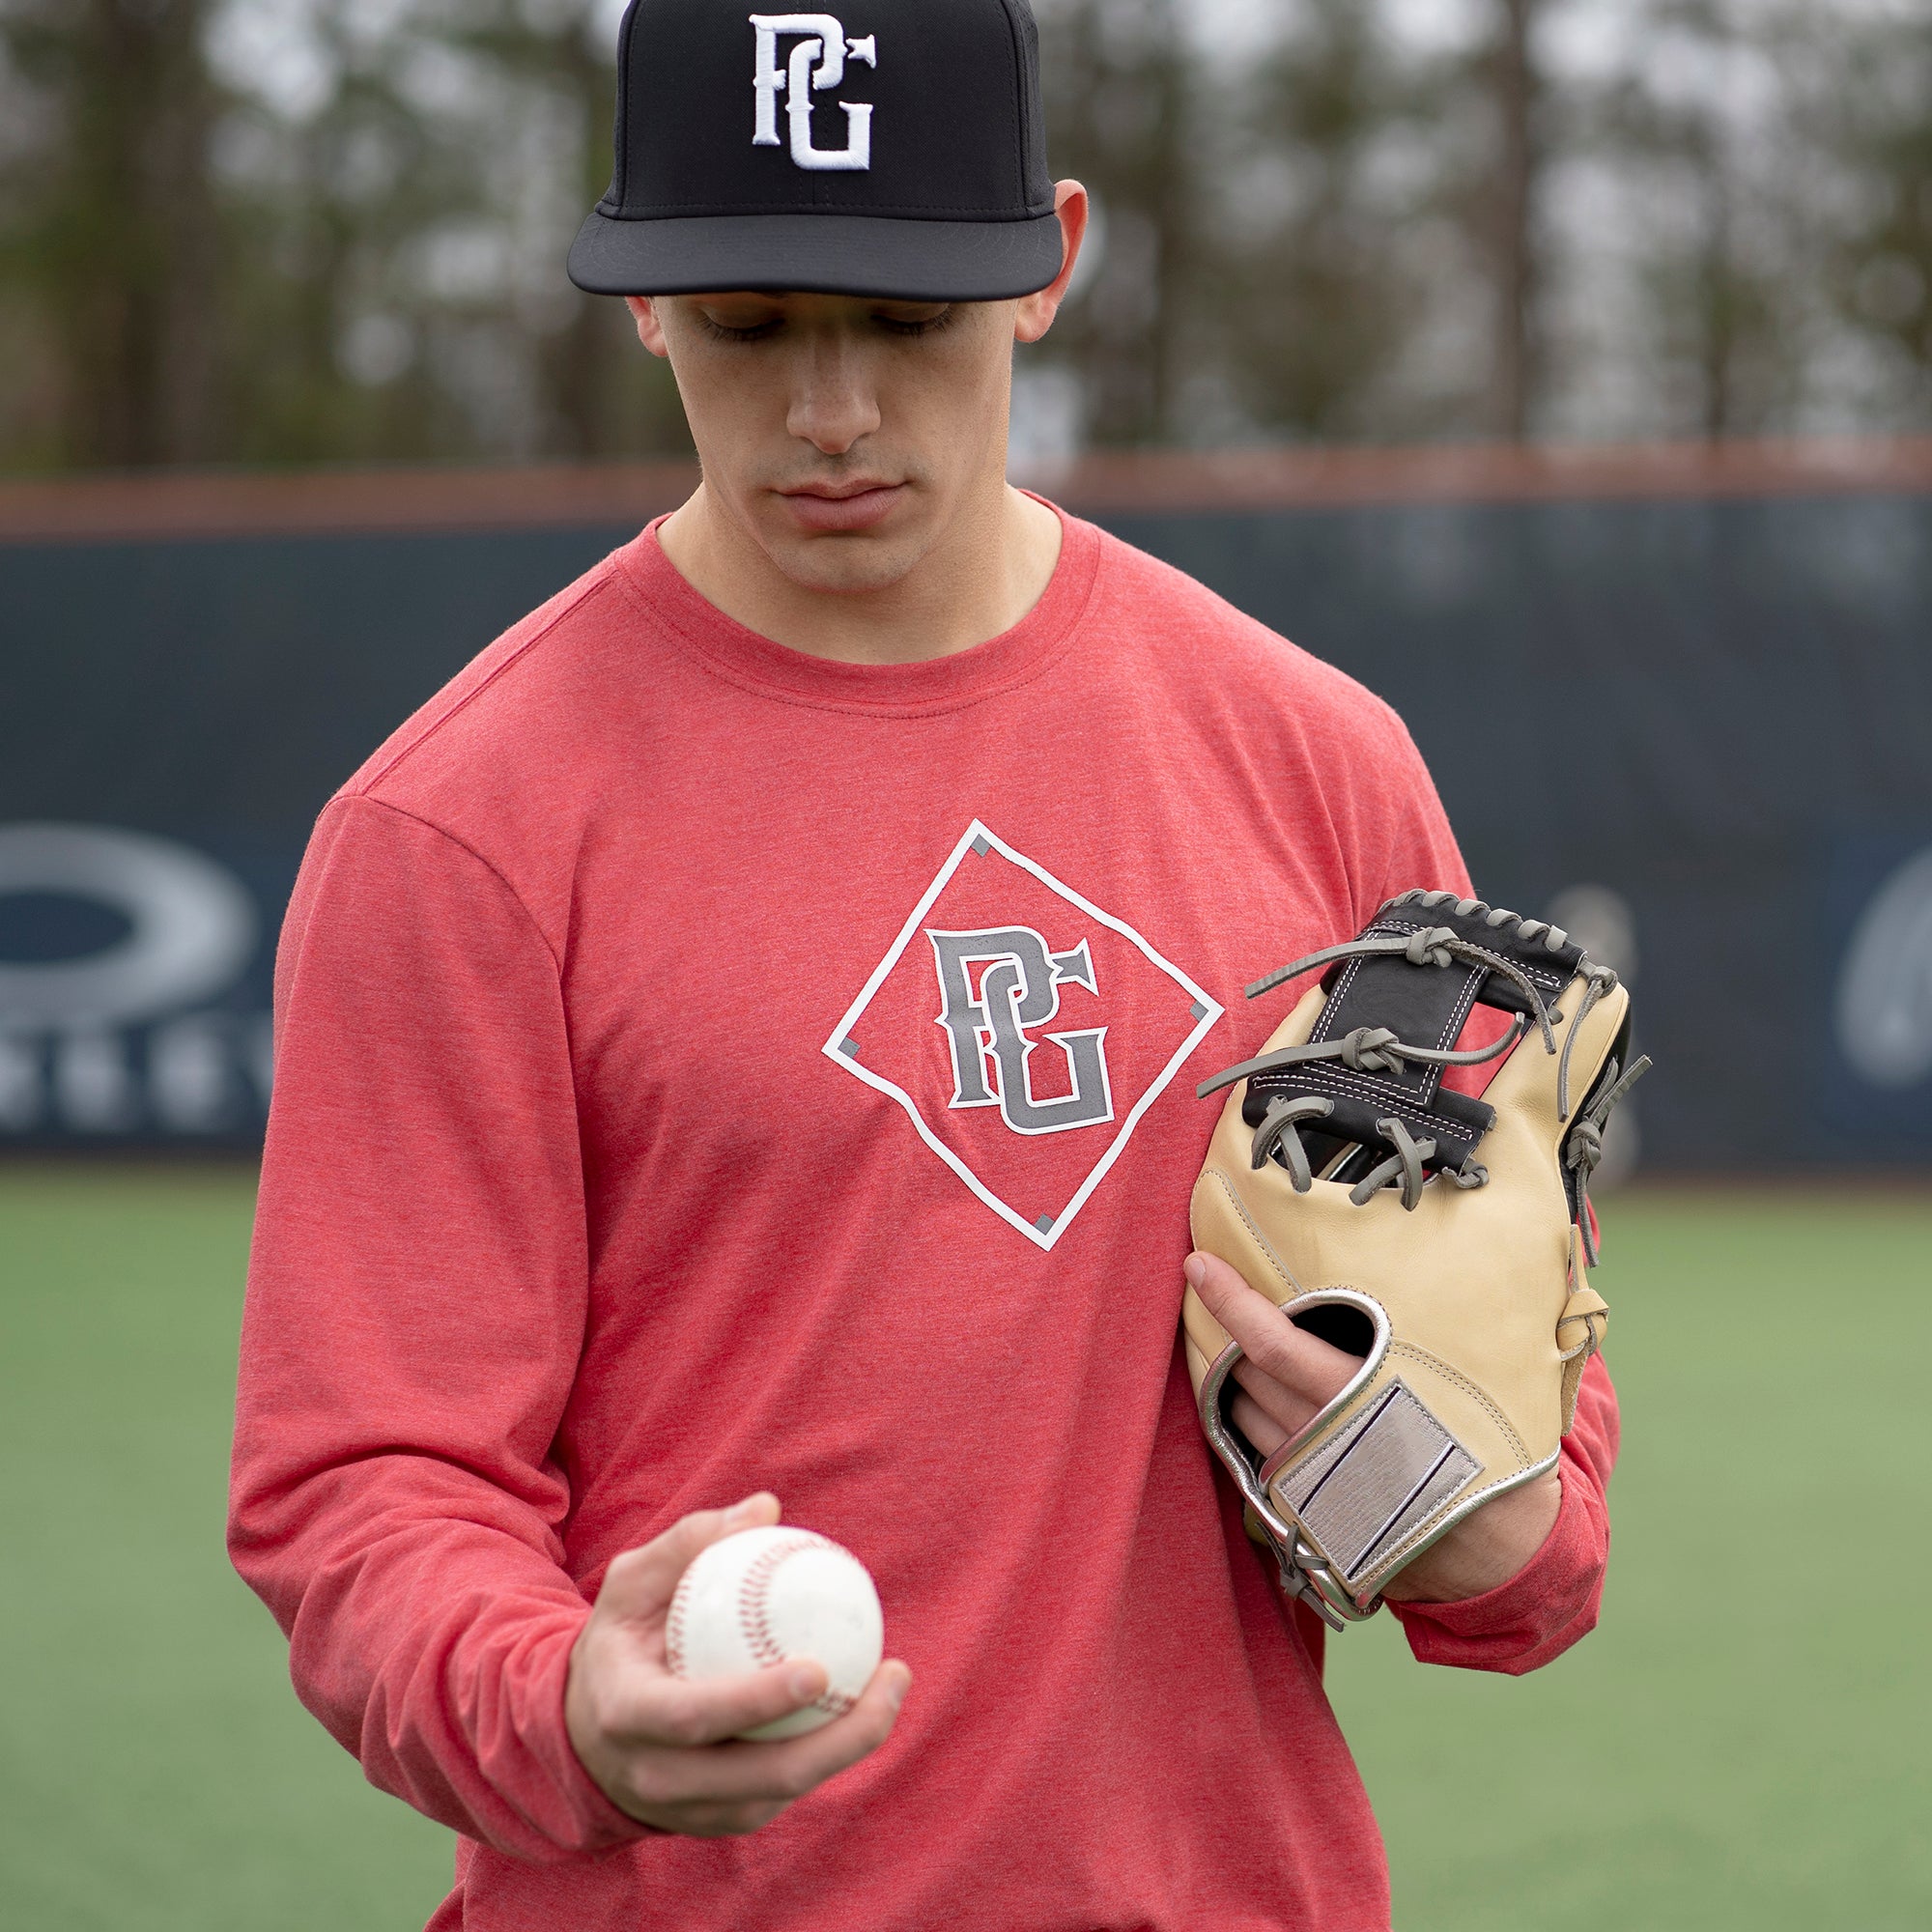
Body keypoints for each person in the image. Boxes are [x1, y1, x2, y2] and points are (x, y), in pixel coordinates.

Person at [229, 2, 1618, 1926]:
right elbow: (363, 1482)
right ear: (644, 302)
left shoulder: (1315, 761)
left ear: (1046, 265)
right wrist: (553, 1693)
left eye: (903, 322)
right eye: (748, 319)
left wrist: (1479, 1509)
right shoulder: (457, 831)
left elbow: (1534, 1468)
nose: (829, 411)